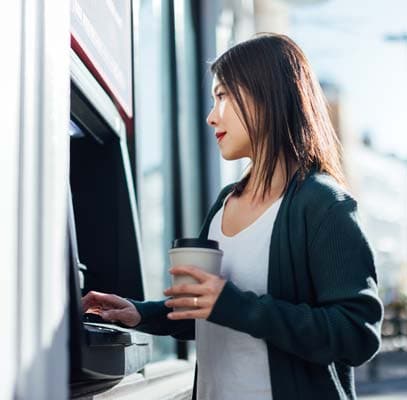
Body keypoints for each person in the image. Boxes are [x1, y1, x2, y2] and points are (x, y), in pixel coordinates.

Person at [82, 33, 383, 399]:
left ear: (266, 96)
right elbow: (212, 314)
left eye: (222, 96)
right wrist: (139, 314)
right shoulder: (226, 201)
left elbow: (357, 334)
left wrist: (236, 306)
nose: (211, 117)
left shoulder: (324, 204)